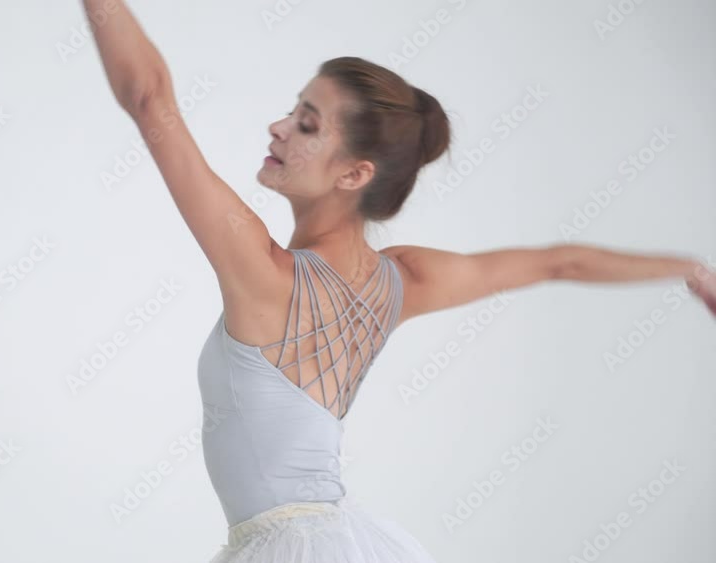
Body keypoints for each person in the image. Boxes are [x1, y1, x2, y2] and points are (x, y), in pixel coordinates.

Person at [80, 1, 716, 560]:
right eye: (293, 111)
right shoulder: (404, 280)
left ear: (354, 174)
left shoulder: (263, 270)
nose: (278, 127)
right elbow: (557, 262)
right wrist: (690, 270)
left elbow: (151, 100)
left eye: (307, 124)